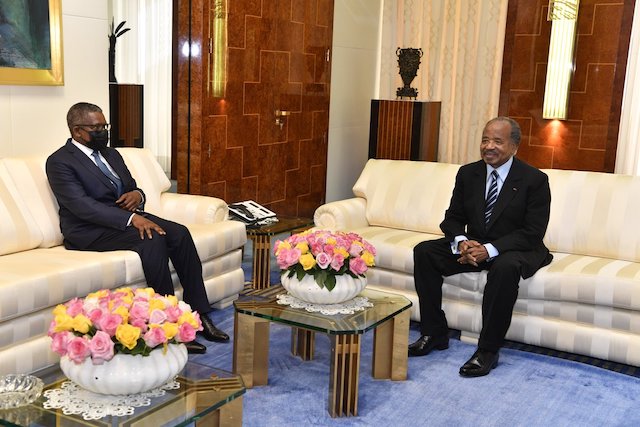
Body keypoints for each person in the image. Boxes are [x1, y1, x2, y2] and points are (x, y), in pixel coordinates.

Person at [46, 102, 229, 355]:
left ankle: (200, 314)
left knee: (179, 233)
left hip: (125, 217)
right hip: (88, 229)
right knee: (152, 239)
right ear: (77, 131)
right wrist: (131, 220)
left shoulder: (111, 154)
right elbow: (81, 206)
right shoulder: (59, 162)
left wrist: (137, 195)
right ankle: (166, 324)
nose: (103, 131)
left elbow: (132, 186)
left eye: (104, 126)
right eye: (96, 127)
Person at [408, 116, 552, 377]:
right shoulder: (468, 173)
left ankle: (487, 350)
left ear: (514, 147)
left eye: (498, 141)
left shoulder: (534, 180)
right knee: (425, 251)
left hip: (514, 248)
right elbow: (452, 218)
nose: (489, 146)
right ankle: (434, 332)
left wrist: (490, 249)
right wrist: (462, 242)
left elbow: (532, 233)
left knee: (505, 269)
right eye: (485, 140)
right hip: (476, 246)